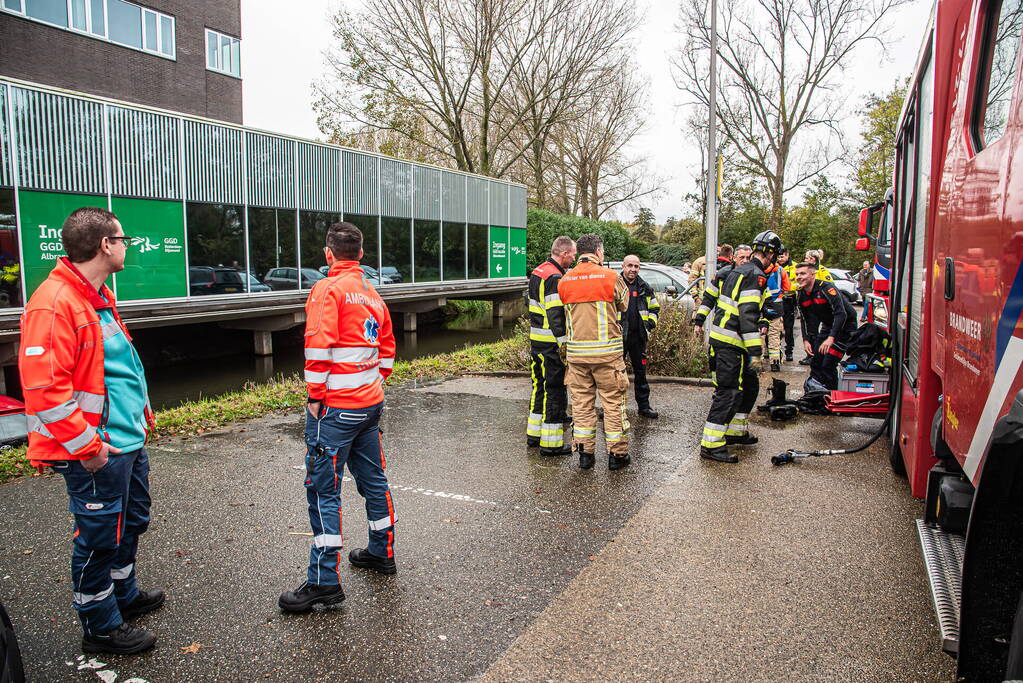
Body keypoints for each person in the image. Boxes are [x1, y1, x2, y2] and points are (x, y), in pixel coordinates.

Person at [20, 207, 160, 655]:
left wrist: (142, 411)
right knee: (99, 539)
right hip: (96, 449)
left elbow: (116, 367)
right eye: (123, 240)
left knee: (131, 522)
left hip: (125, 440)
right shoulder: (55, 302)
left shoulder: (96, 296)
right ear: (105, 244)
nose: (125, 246)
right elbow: (44, 390)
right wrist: (89, 448)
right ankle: (100, 627)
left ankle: (124, 596)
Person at [279, 222, 398, 613]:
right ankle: (382, 552)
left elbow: (317, 347)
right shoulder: (371, 292)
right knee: (373, 479)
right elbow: (387, 352)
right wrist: (371, 384)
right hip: (369, 403)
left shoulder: (327, 289)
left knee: (323, 489)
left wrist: (315, 397)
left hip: (337, 408)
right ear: (361, 255)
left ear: (329, 254)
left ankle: (323, 582)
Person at [699, 231, 782, 463]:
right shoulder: (755, 275)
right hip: (730, 343)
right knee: (728, 392)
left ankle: (735, 432)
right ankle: (711, 445)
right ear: (770, 254)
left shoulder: (742, 272)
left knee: (748, 386)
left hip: (732, 343)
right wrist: (756, 351)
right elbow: (747, 315)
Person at [558, 233, 631, 471]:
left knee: (581, 406)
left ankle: (585, 455)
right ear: (598, 252)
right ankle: (617, 456)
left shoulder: (565, 280)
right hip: (607, 356)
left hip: (577, 357)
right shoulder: (611, 277)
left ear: (579, 252)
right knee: (612, 405)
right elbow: (623, 304)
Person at [526, 236, 576, 455]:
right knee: (554, 391)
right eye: (572, 255)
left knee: (538, 388)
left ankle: (534, 435)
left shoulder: (539, 271)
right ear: (563, 254)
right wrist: (564, 344)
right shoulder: (555, 277)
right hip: (550, 345)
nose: (573, 259)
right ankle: (551, 444)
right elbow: (556, 314)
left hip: (536, 341)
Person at [795, 261, 857, 390]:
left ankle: (833, 394)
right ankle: (818, 393)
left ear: (813, 274)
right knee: (816, 362)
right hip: (828, 325)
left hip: (845, 326)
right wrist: (806, 340)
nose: (799, 277)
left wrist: (831, 338)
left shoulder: (827, 288)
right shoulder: (801, 294)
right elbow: (805, 320)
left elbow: (841, 314)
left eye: (803, 273)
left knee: (828, 363)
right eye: (797, 274)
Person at [619, 255, 660, 419]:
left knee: (641, 374)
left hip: (638, 338)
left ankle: (644, 407)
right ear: (623, 266)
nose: (633, 269)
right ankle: (614, 409)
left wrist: (650, 324)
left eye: (636, 266)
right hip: (618, 338)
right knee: (615, 375)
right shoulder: (615, 285)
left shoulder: (644, 287)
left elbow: (655, 308)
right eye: (630, 265)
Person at [692, 244, 734, 331]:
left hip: (710, 299)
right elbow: (692, 281)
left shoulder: (730, 268)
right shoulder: (700, 262)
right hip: (702, 299)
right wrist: (695, 297)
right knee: (700, 327)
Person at [764, 256, 790, 373]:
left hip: (761, 305)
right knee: (774, 335)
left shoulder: (758, 269)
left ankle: (757, 363)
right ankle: (775, 363)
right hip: (776, 306)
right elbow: (787, 287)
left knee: (759, 334)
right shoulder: (780, 270)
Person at [779, 249, 798, 361]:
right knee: (775, 328)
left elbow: (800, 282)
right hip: (777, 300)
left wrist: (790, 287)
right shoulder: (774, 266)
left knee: (788, 328)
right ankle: (775, 351)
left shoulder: (795, 267)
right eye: (779, 257)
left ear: (787, 255)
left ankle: (789, 351)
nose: (780, 259)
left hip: (789, 300)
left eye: (782, 257)